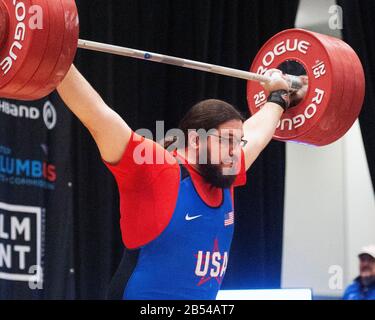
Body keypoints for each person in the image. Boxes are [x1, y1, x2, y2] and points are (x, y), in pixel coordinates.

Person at [57, 65, 306, 300]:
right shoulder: (159, 170)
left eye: (237, 142)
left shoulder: (223, 173)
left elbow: (258, 134)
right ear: (196, 141)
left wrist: (279, 96)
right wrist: (57, 58)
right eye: (227, 141)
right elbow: (97, 115)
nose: (235, 151)